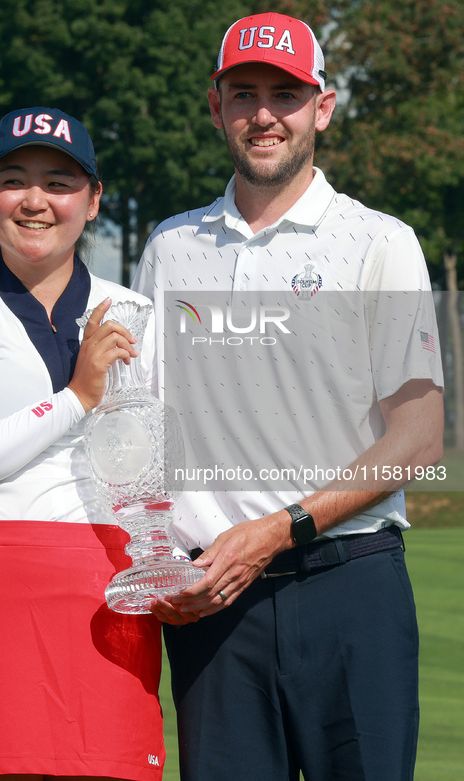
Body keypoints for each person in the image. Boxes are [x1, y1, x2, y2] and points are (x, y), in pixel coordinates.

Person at [132, 12, 444, 781]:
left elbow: (418, 436)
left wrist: (279, 528)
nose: (263, 113)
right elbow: (138, 427)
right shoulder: (171, 247)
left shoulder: (378, 241)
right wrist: (155, 560)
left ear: (322, 108)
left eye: (285, 94)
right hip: (212, 609)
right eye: (243, 93)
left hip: (349, 585)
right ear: (215, 106)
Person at [0, 107, 164, 781]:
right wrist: (76, 397)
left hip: (108, 595)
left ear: (94, 200)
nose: (36, 200)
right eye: (13, 180)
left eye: (59, 181)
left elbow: (162, 471)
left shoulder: (134, 310)